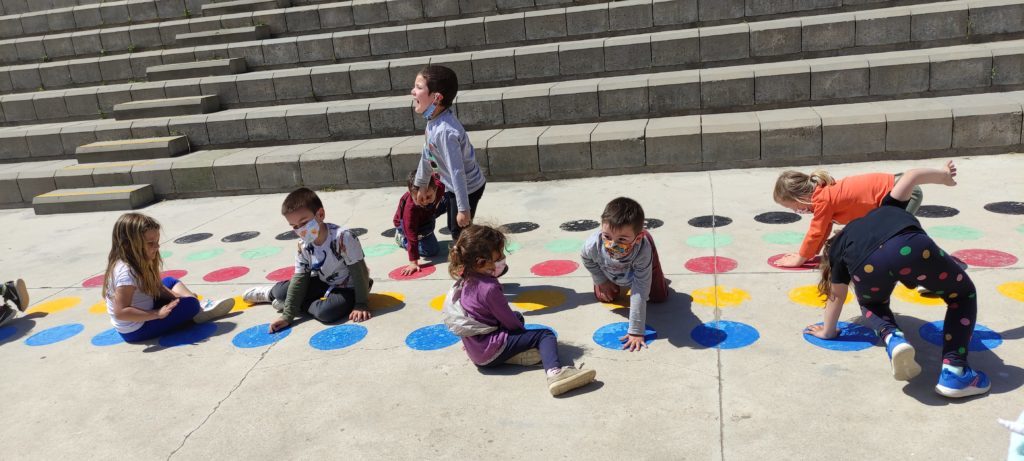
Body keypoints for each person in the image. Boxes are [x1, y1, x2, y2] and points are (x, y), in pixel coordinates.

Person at [805, 161, 990, 398]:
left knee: (872, 304)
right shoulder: (886, 207)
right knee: (962, 295)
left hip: (867, 266)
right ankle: (955, 371)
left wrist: (828, 331)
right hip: (909, 247)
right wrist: (944, 176)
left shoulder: (840, 250)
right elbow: (911, 176)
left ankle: (893, 338)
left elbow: (837, 296)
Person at [442, 225, 597, 397]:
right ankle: (555, 374)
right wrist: (527, 337)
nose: (503, 258)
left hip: (475, 350)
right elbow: (509, 322)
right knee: (544, 335)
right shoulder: (490, 287)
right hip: (490, 351)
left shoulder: (466, 277)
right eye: (499, 256)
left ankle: (514, 356)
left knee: (518, 317)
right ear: (481, 262)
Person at [243, 188, 372, 333]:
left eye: (304, 222)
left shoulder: (343, 237)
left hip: (348, 287)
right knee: (282, 291)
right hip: (323, 281)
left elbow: (360, 272)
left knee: (326, 313)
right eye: (294, 226)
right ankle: (269, 294)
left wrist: (361, 303)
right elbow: (300, 279)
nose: (300, 230)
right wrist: (287, 316)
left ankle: (291, 304)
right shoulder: (303, 245)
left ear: (320, 214)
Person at [103, 213, 233, 342]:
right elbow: (121, 312)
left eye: (157, 241)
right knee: (191, 305)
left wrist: (178, 298)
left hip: (145, 310)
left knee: (169, 281)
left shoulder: (136, 259)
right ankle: (197, 310)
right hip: (137, 329)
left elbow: (156, 286)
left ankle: (197, 308)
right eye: (150, 243)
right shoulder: (127, 273)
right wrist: (157, 314)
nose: (157, 246)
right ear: (128, 245)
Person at [772, 168, 924, 268]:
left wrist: (800, 258)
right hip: (901, 187)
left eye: (792, 206)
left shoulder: (823, 199)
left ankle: (924, 265)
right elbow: (823, 229)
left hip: (906, 192)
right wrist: (807, 255)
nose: (795, 211)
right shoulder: (822, 193)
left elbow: (816, 231)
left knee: (897, 237)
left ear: (799, 198)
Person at [581, 197, 668, 352]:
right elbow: (586, 258)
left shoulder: (642, 250)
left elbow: (640, 290)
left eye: (622, 239)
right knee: (605, 297)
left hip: (639, 262)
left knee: (658, 297)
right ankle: (612, 277)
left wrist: (636, 330)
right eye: (607, 236)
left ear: (637, 238)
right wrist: (601, 280)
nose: (612, 244)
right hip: (610, 270)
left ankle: (646, 239)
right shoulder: (593, 244)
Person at [410, 65, 486, 242]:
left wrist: (463, 209)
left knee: (459, 231)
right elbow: (427, 154)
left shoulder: (445, 131)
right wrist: (421, 184)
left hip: (468, 187)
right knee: (456, 227)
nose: (413, 91)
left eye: (419, 87)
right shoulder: (433, 121)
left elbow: (457, 172)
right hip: (454, 185)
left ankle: (476, 254)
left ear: (436, 98)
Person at [394, 170, 447, 276]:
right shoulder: (410, 210)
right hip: (410, 225)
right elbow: (411, 235)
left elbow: (438, 173)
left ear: (435, 189)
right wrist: (413, 262)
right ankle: (402, 240)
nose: (424, 201)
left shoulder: (439, 186)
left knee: (450, 199)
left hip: (427, 214)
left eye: (428, 197)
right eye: (419, 198)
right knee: (432, 250)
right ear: (410, 194)